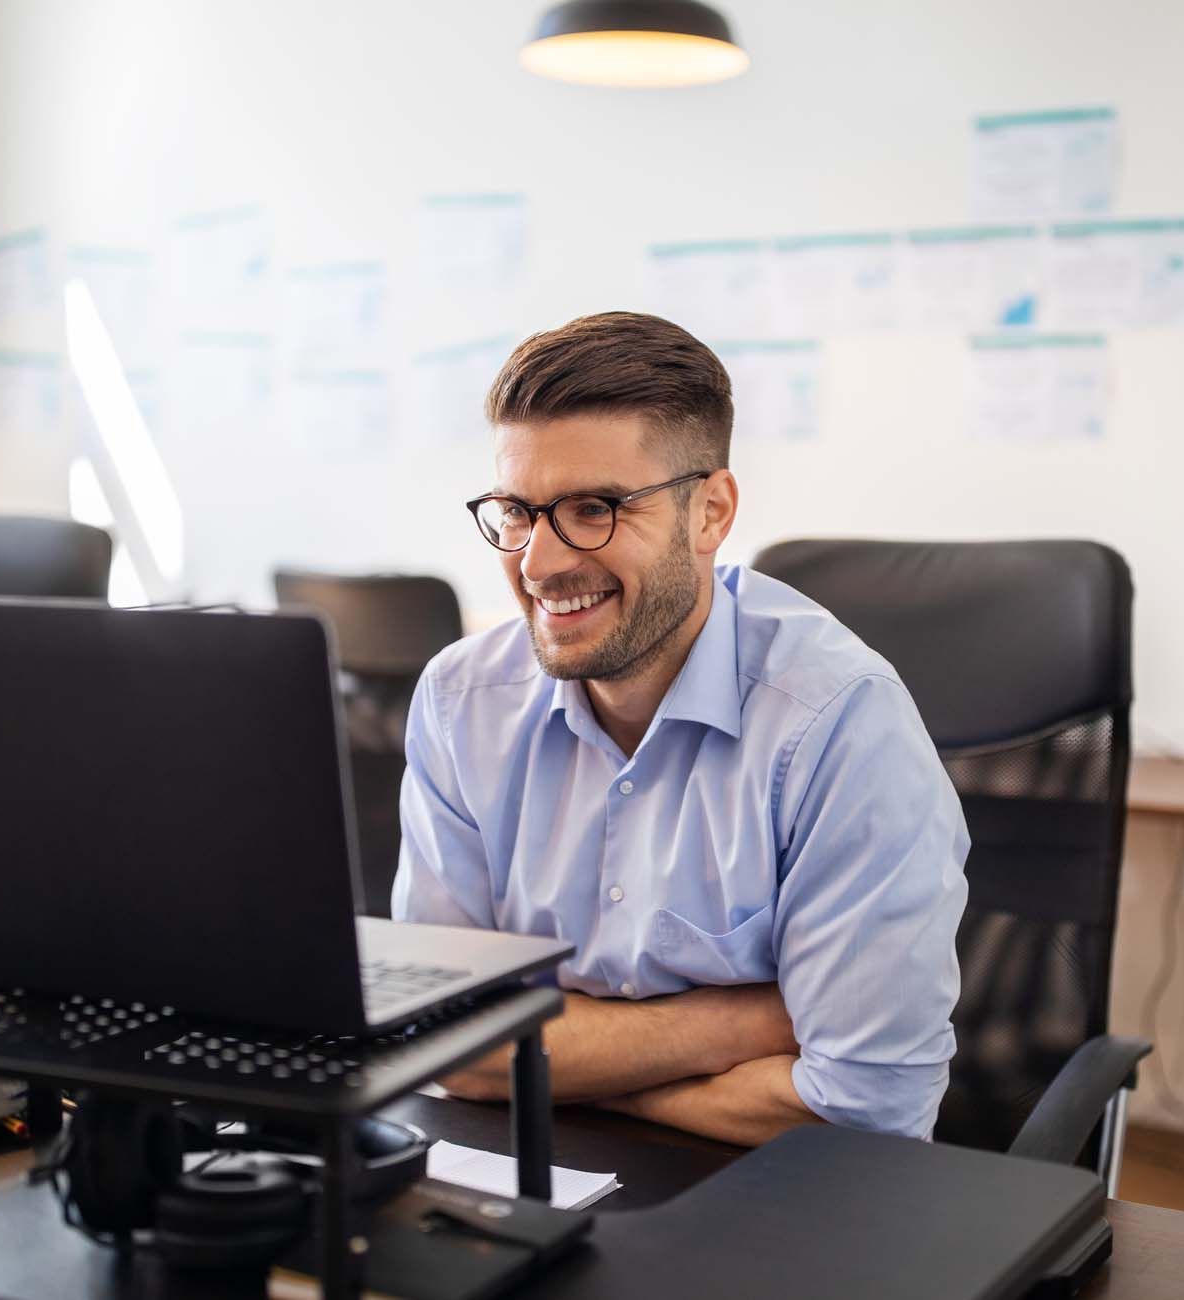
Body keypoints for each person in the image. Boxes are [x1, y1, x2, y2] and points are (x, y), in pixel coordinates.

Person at [392, 311, 969, 1146]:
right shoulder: (462, 701)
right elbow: (443, 1043)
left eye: (593, 508)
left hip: (780, 1210)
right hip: (536, 1178)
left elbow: (863, 1108)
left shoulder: (837, 724)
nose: (540, 564)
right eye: (517, 512)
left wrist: (553, 1074)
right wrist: (738, 1026)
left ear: (710, 513)